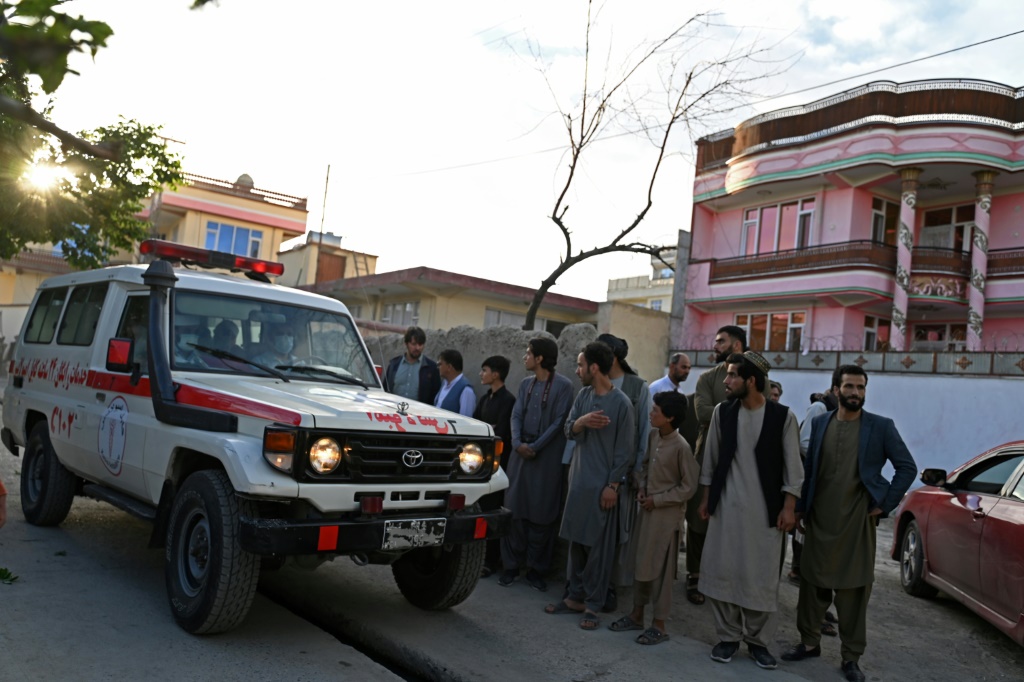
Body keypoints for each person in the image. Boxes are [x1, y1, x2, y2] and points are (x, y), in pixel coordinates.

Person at [781, 365, 917, 682]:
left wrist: (884, 504)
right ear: (836, 389)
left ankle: (851, 657)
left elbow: (906, 467)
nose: (856, 392)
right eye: (850, 386)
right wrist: (801, 509)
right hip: (819, 519)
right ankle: (808, 643)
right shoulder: (819, 422)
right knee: (812, 585)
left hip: (857, 522)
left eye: (861, 387)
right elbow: (810, 470)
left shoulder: (880, 427)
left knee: (853, 591)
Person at [697, 351, 802, 670]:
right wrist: (706, 499)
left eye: (732, 376)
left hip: (766, 513)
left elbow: (793, 469)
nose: (725, 381)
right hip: (727, 508)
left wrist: (789, 508)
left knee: (760, 577)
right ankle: (728, 637)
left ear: (751, 381)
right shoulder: (722, 412)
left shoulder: (783, 417)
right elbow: (710, 460)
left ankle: (757, 642)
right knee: (723, 569)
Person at [543, 342, 634, 632]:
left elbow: (625, 451)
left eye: (581, 365)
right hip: (580, 482)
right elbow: (569, 429)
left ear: (594, 367)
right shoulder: (583, 396)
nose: (578, 370)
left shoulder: (621, 404)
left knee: (599, 548)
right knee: (577, 543)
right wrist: (582, 421)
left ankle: (593, 605)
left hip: (603, 488)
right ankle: (574, 598)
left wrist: (613, 486)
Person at [688, 325, 772, 606]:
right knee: (700, 515)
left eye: (720, 341)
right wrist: (737, 410)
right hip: (708, 452)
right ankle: (695, 575)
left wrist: (737, 412)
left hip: (749, 454)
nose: (715, 346)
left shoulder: (757, 375)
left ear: (736, 346)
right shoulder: (706, 378)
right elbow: (701, 413)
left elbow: (764, 408)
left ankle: (732, 578)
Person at [608, 391, 699, 645]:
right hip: (646, 513)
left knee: (661, 572)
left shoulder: (681, 446)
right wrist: (643, 487)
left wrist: (657, 500)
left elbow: (688, 487)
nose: (651, 414)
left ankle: (659, 624)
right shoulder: (653, 436)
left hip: (666, 520)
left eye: (656, 411)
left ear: (669, 417)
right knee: (642, 564)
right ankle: (637, 614)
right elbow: (646, 466)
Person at [501, 338, 573, 591]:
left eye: (529, 353)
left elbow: (558, 423)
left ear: (540, 358)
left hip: (546, 458)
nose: (525, 357)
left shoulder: (564, 386)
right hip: (520, 454)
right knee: (514, 510)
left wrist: (536, 447)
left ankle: (535, 570)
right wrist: (518, 442)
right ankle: (511, 566)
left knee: (542, 514)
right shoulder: (525, 384)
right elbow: (516, 414)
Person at [595, 333, 651, 611]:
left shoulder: (637, 387)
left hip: (624, 477)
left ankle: (611, 586)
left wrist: (637, 474)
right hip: (594, 472)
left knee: (619, 535)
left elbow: (644, 436)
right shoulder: (593, 385)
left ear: (612, 357)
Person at [474, 355, 516, 578]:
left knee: (492, 512)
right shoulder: (485, 399)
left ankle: (490, 561)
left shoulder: (508, 400)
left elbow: (501, 434)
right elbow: (475, 426)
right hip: (478, 467)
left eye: (485, 370)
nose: (481, 374)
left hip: (496, 467)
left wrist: (486, 430)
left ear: (496, 374)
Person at [383, 326, 441, 404]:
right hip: (393, 412)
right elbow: (385, 390)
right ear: (406, 344)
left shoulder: (431, 368)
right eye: (414, 344)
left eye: (420, 344)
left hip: (419, 414)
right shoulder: (394, 365)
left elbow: (435, 396)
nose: (417, 348)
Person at [434, 349, 476, 416]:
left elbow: (466, 420)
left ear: (449, 367)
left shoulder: (466, 390)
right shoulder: (444, 383)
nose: (438, 367)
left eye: (440, 364)